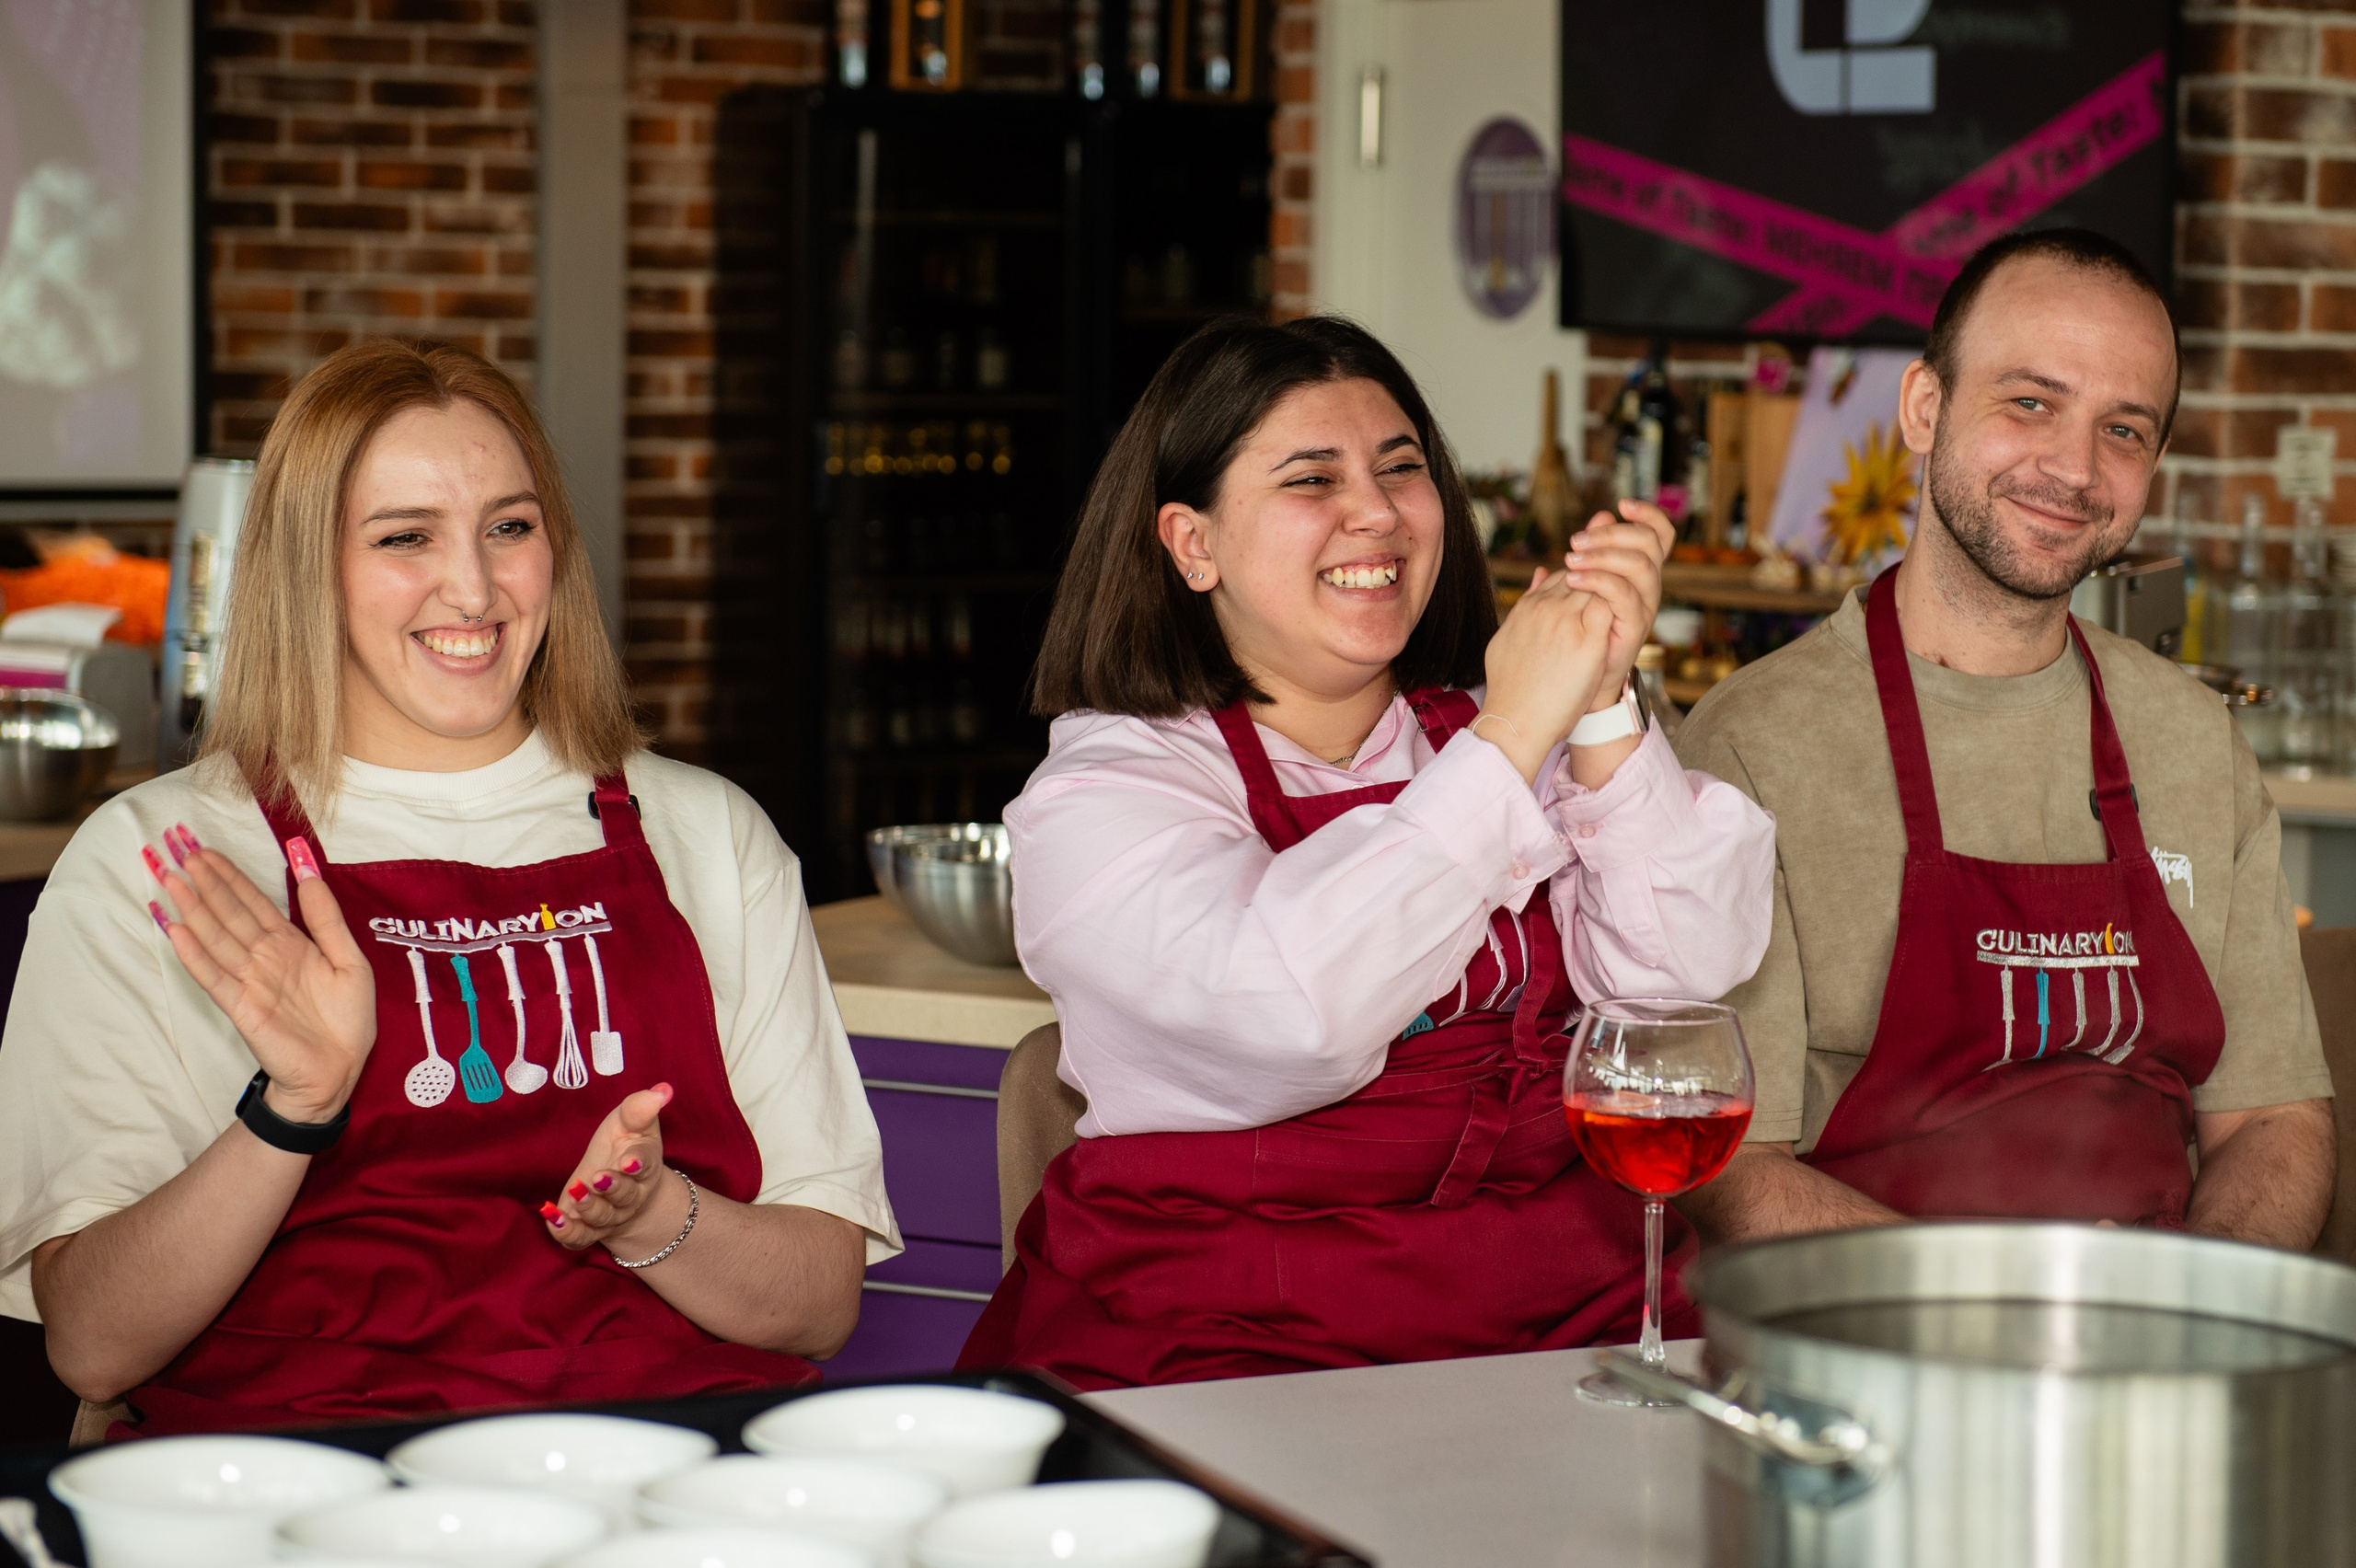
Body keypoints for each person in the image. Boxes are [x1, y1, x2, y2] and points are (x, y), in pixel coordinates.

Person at [0, 341, 899, 1435]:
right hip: (307, 1471)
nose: (473, 589)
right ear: (306, 568)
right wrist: (295, 1108)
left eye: (509, 527)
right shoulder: (165, 859)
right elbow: (94, 1345)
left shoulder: (708, 835)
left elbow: (819, 1305)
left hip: (662, 1462)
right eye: (404, 537)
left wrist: (650, 1215)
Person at [958, 317, 1776, 1389]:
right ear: (1193, 543)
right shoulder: (1103, 793)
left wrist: (1601, 699)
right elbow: (1289, 1016)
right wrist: (1513, 731)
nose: (1378, 513)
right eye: (1312, 479)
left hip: (1570, 1318)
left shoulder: (1504, 733)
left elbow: (1678, 979)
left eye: (1401, 468)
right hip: (1231, 1344)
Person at [1673, 229, 2336, 1249]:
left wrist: (2184, 1301)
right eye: (2029, 402)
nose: (2073, 468)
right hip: (1864, 1326)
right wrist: (2005, 1310)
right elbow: (1729, 1167)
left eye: (2124, 429)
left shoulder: (2195, 742)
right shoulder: (1753, 747)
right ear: (1923, 408)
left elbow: (2274, 1120)